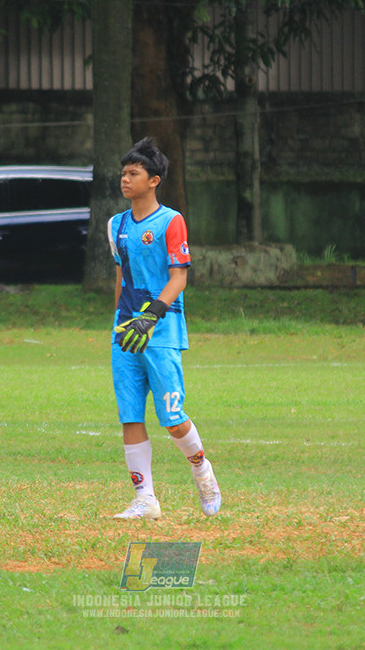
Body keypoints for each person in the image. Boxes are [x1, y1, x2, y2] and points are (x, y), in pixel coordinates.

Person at [107, 137, 222, 520]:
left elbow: (178, 279)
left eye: (133, 173)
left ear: (153, 180)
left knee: (172, 419)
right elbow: (121, 277)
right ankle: (146, 499)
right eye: (123, 173)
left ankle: (202, 472)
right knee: (130, 416)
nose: (125, 180)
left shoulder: (171, 221)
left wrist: (150, 315)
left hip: (161, 331)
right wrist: (121, 324)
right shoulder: (116, 224)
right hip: (127, 333)